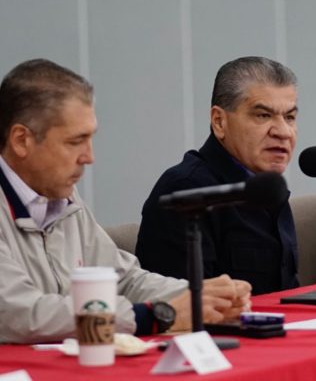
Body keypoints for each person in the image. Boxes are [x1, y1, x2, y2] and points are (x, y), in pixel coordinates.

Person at [0, 58, 251, 344]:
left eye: (90, 139)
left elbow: (123, 279)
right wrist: (155, 315)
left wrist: (198, 296)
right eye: (75, 141)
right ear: (21, 140)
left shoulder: (62, 197)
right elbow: (20, 314)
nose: (89, 157)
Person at [136, 56, 299, 295]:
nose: (283, 132)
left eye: (290, 117)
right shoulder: (187, 192)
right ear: (219, 121)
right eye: (263, 116)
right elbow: (184, 305)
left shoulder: (266, 187)